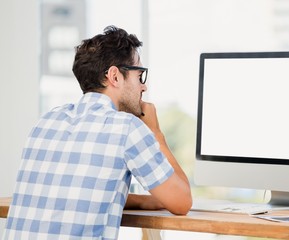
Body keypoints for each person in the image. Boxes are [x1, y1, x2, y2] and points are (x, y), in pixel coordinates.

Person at [2, 25, 192, 239]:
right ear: (115, 76)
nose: (143, 87)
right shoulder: (126, 128)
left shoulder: (45, 122)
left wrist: (145, 200)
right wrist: (157, 133)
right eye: (139, 76)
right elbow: (182, 202)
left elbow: (75, 190)